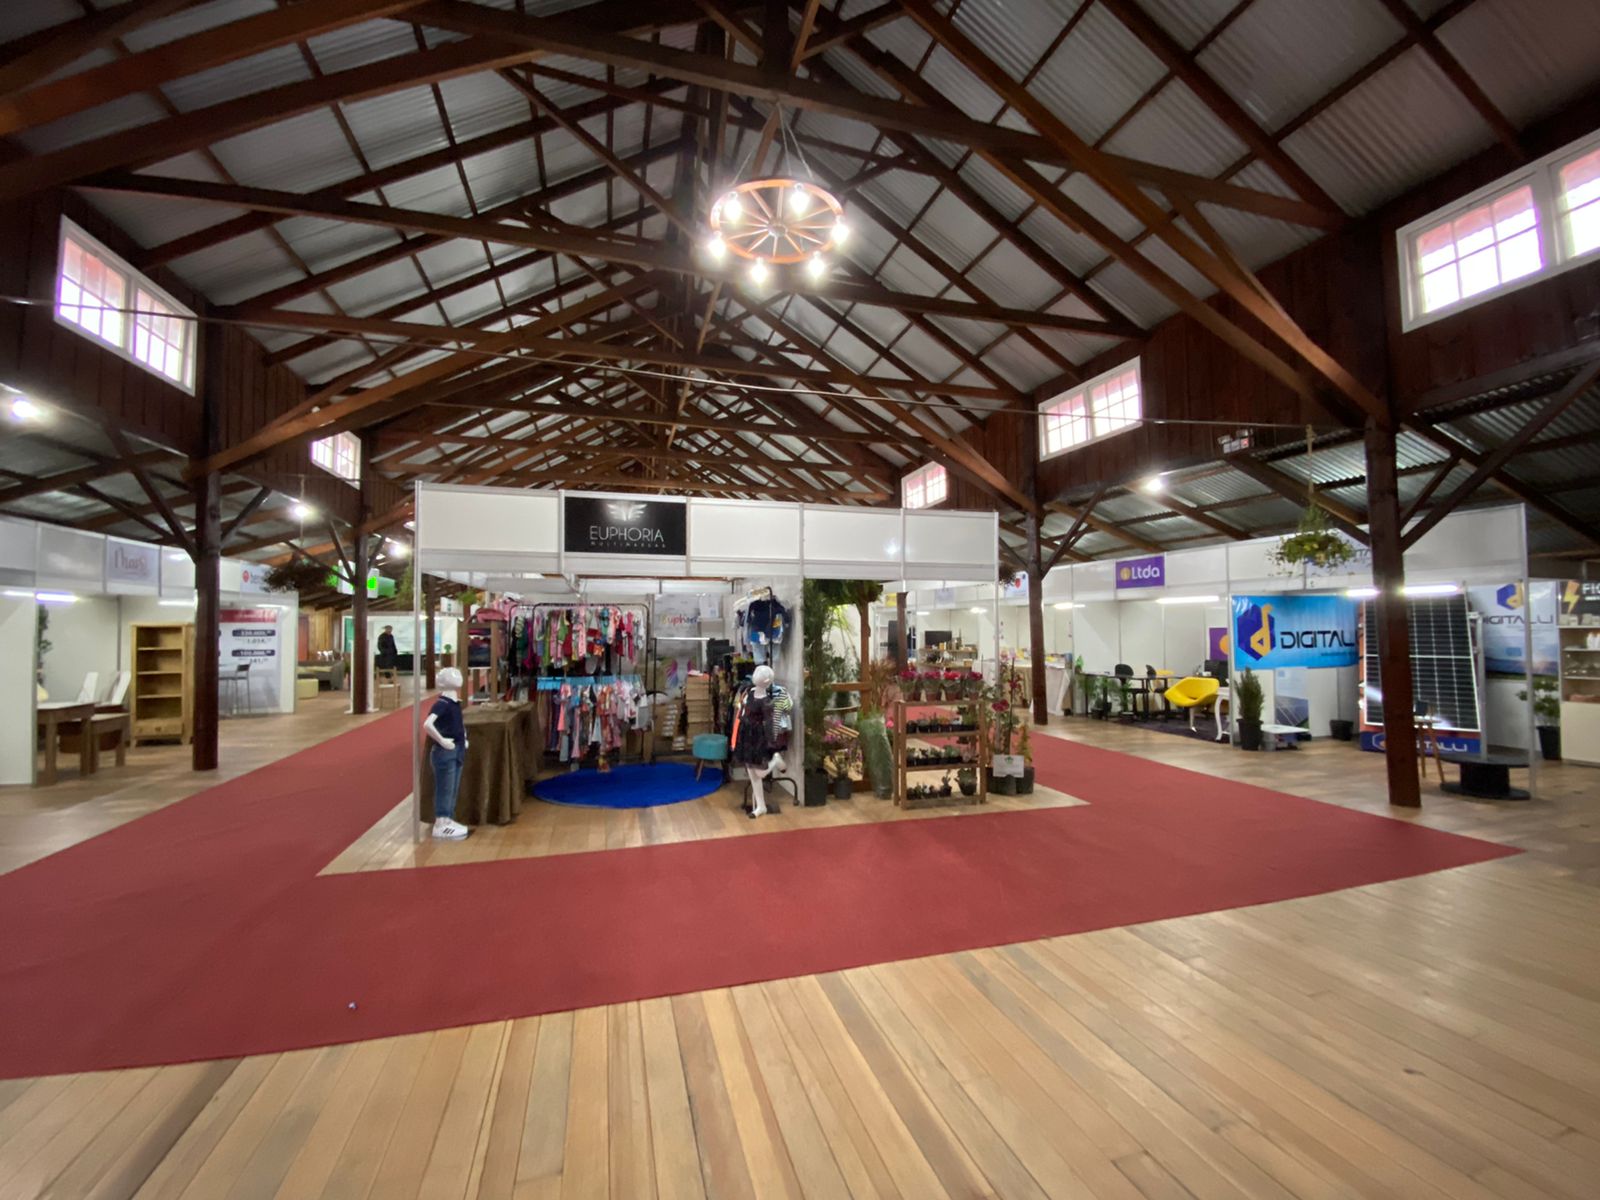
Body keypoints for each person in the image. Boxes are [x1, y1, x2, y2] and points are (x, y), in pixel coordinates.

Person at [423, 667, 469, 840]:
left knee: (452, 786)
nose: (457, 677)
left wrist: (463, 738)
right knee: (445, 787)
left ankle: (447, 818)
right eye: (452, 675)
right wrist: (442, 740)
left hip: (457, 748)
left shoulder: (454, 703)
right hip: (445, 751)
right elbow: (428, 724)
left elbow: (459, 724)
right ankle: (441, 822)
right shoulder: (442, 704)